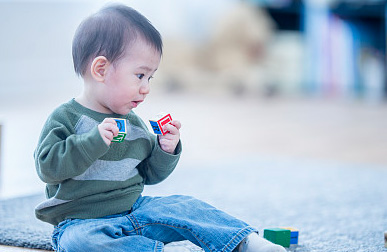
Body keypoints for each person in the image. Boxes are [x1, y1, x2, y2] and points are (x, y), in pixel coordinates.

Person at [34, 4, 286, 252]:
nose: (146, 88)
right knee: (78, 243)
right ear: (101, 69)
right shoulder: (66, 117)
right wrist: (92, 142)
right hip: (82, 222)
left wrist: (166, 150)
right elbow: (48, 168)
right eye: (140, 76)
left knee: (185, 206)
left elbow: (150, 175)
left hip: (137, 211)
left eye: (150, 77)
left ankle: (245, 242)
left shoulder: (132, 122)